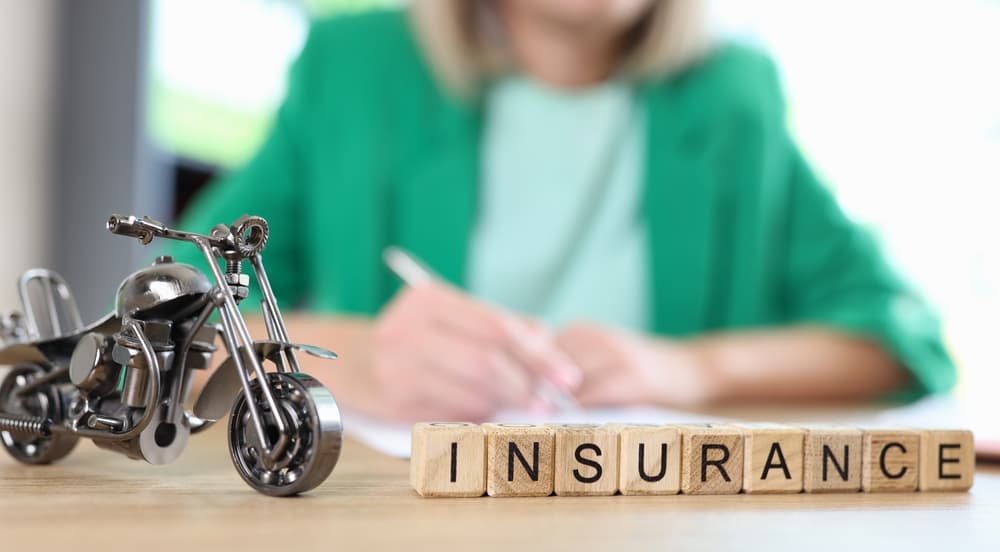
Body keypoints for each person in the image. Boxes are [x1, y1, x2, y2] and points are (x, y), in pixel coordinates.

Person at [178, 0, 955, 422]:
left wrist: (693, 369)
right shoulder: (354, 69)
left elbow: (903, 340)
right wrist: (345, 357)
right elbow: (167, 306)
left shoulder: (733, 98)